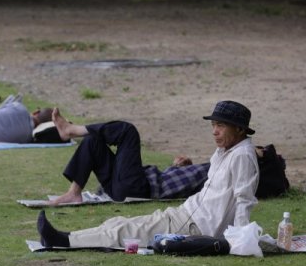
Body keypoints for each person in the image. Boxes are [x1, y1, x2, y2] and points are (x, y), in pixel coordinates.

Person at [36, 100, 259, 249]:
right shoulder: (225, 151)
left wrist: (239, 240)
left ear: (239, 129)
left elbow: (244, 200)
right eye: (214, 125)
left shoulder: (242, 156)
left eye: (221, 126)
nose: (214, 131)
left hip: (193, 226)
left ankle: (64, 240)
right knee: (117, 222)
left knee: (125, 231)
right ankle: (67, 237)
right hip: (184, 214)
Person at [49, 112, 210, 205]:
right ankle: (74, 193)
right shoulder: (216, 164)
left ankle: (72, 130)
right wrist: (177, 167)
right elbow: (177, 181)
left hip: (138, 189)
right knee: (93, 141)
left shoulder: (220, 168)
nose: (215, 131)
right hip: (122, 185)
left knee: (127, 131)